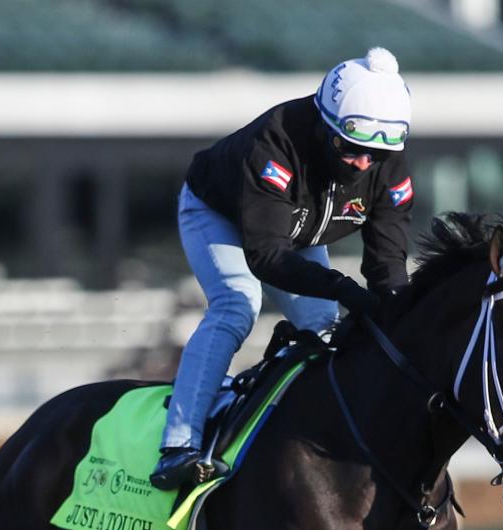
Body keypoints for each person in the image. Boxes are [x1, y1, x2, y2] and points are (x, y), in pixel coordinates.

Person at [151, 46, 416, 490]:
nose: (364, 163)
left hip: (296, 231)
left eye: (376, 154)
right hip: (221, 214)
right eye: (351, 148)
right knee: (237, 306)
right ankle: (178, 446)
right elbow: (265, 257)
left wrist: (399, 315)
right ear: (324, 126)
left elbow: (388, 266)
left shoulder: (387, 167)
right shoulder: (275, 141)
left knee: (324, 327)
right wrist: (344, 289)